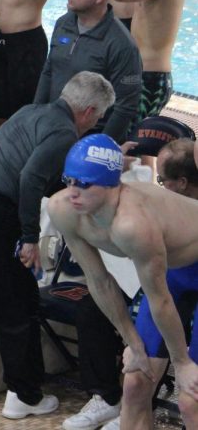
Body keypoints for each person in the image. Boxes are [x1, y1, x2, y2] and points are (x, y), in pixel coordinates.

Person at [0, 71, 115, 420]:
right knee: (17, 303)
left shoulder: (32, 111)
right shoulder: (62, 132)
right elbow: (30, 177)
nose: (96, 125)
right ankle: (25, 395)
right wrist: (29, 236)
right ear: (89, 111)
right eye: (99, 118)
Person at [48, 134, 198, 430]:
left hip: (176, 278)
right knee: (134, 385)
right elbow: (99, 281)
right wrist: (132, 342)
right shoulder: (63, 209)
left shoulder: (133, 224)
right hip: (175, 276)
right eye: (69, 180)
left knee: (191, 400)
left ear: (110, 185)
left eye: (85, 184)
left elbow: (161, 300)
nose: (73, 192)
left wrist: (182, 363)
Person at [34, 0, 142, 144]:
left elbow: (126, 106)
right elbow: (49, 70)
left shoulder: (121, 45)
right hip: (52, 130)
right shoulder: (64, 24)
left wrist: (98, 147)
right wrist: (35, 114)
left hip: (87, 139)